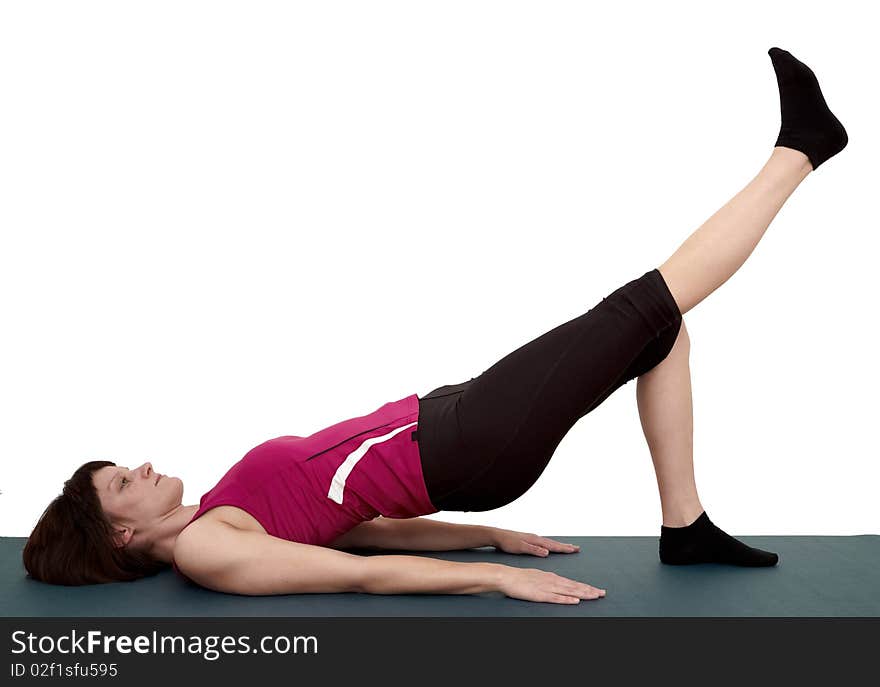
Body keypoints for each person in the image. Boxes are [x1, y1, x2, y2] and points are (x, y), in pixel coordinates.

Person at [23, 47, 847, 605]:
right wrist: (493, 582)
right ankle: (800, 151)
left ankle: (685, 525)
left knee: (655, 334)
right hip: (468, 442)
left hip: (452, 420)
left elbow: (361, 527)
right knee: (646, 304)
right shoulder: (206, 549)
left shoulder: (217, 511)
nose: (140, 465)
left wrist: (484, 537)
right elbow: (354, 575)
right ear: (123, 529)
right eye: (122, 480)